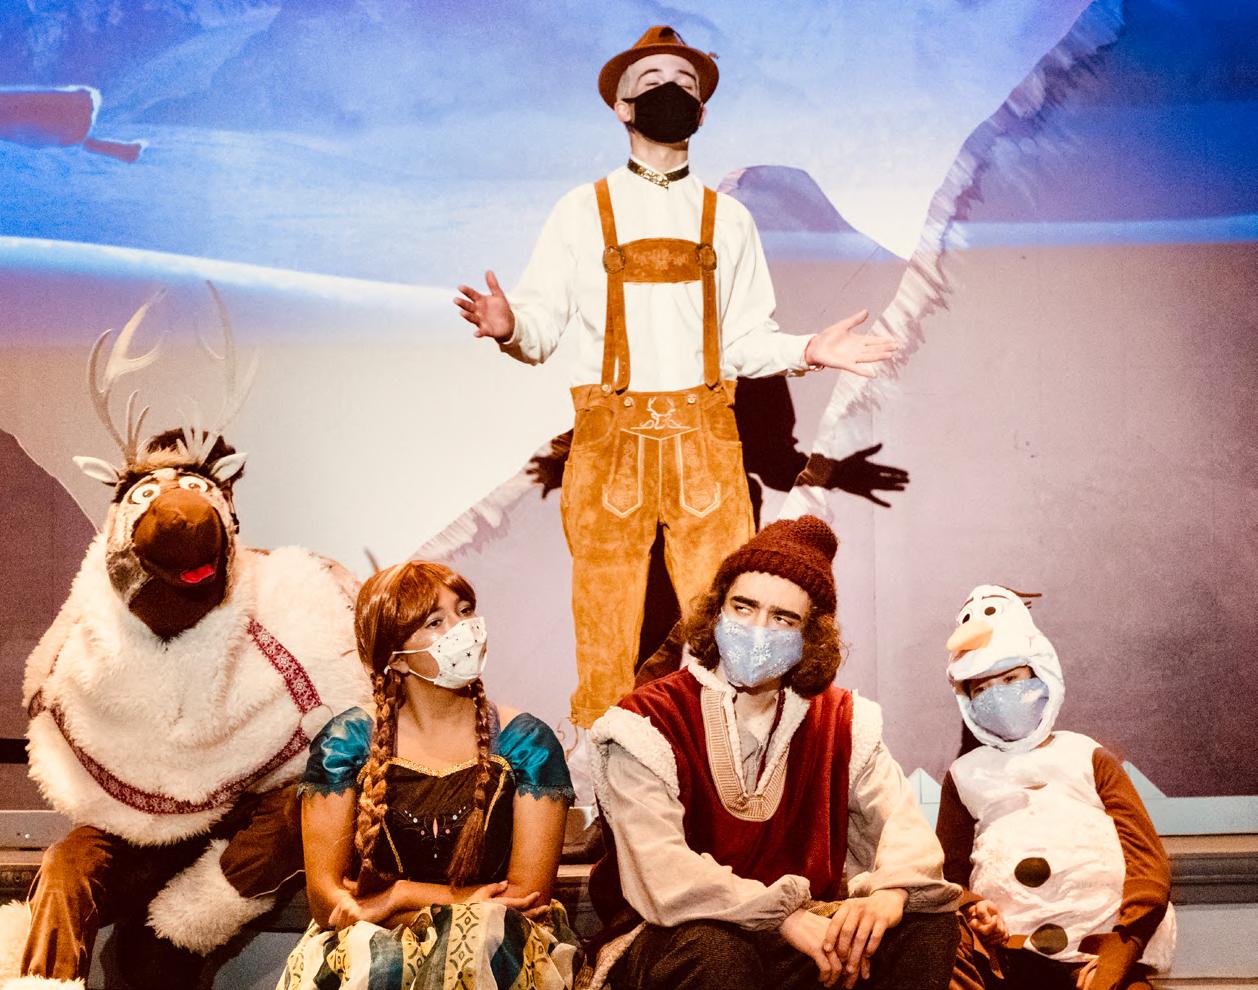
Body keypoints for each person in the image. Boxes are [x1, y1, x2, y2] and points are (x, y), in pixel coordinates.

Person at [455, 26, 901, 729]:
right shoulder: (581, 212)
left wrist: (811, 348)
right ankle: (606, 766)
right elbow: (539, 330)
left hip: (706, 445)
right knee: (604, 627)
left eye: (686, 86)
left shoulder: (730, 221)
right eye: (653, 84)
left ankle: (723, 759)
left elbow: (746, 342)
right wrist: (511, 325)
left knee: (726, 624)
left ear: (703, 111)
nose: (672, 93)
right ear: (622, 107)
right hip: (609, 443)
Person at [581, 517, 961, 990]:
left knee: (924, 923)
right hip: (677, 936)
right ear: (717, 610)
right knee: (718, 951)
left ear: (810, 636)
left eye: (783, 618)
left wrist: (891, 893)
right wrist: (782, 916)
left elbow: (903, 827)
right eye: (743, 607)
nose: (758, 628)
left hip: (805, 935)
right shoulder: (647, 720)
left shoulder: (843, 721)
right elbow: (662, 874)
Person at [277, 561, 579, 990]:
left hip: (497, 950)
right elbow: (327, 903)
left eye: (464, 610)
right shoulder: (345, 743)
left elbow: (524, 901)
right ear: (394, 659)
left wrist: (393, 900)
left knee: (477, 937)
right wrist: (431, 898)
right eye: (435, 622)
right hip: (371, 949)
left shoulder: (526, 742)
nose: (463, 629)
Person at [935, 585, 1175, 990]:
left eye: (1011, 678)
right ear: (967, 699)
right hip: (1009, 960)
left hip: (1100, 955)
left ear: (1040, 674)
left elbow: (1147, 862)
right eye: (982, 688)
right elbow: (949, 877)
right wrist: (975, 910)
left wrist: (1120, 951)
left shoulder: (1087, 756)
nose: (998, 695)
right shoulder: (964, 777)